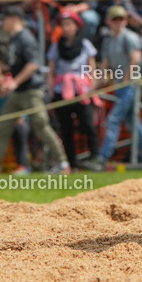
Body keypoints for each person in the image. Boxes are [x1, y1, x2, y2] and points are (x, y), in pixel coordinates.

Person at [0, 6, 69, 173]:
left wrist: (15, 82)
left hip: (31, 91)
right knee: (4, 126)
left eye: (5, 19)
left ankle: (63, 163)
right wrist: (7, 81)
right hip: (18, 92)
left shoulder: (25, 38)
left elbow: (34, 64)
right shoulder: (13, 39)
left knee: (41, 126)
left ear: (14, 19)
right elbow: (16, 64)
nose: (2, 23)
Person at [83, 5, 142, 170]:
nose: (118, 22)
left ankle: (102, 157)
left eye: (121, 19)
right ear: (108, 21)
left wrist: (125, 80)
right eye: (115, 19)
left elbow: (136, 60)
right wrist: (93, 87)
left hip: (131, 86)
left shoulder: (129, 37)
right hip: (121, 86)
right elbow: (104, 66)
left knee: (113, 119)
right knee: (133, 122)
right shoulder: (108, 41)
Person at [47, 10, 99, 172]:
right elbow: (51, 70)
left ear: (77, 26)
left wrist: (92, 88)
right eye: (64, 25)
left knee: (88, 125)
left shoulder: (85, 44)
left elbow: (92, 68)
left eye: (70, 24)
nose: (67, 28)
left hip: (82, 91)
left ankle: (95, 159)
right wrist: (50, 92)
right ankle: (72, 163)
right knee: (66, 129)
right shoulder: (56, 47)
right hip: (62, 91)